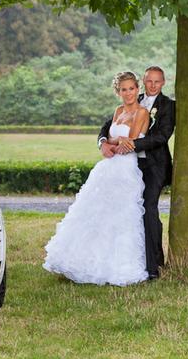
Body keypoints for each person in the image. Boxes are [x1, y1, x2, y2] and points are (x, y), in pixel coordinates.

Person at [43, 71, 149, 286]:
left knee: (120, 215)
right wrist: (108, 142)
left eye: (131, 88)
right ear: (118, 92)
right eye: (123, 89)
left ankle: (117, 265)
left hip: (125, 169)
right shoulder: (118, 111)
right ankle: (86, 262)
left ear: (138, 89)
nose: (128, 93)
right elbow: (111, 137)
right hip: (108, 166)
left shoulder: (142, 112)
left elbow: (131, 141)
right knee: (96, 213)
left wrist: (113, 142)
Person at [98, 65, 175, 279]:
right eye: (149, 81)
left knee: (148, 208)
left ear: (163, 82)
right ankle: (123, 260)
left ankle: (154, 266)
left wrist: (132, 143)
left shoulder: (168, 105)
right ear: (143, 81)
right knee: (123, 211)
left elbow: (162, 136)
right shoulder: (133, 98)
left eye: (157, 81)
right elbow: (107, 126)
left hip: (153, 166)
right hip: (128, 165)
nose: (153, 85)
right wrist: (103, 142)